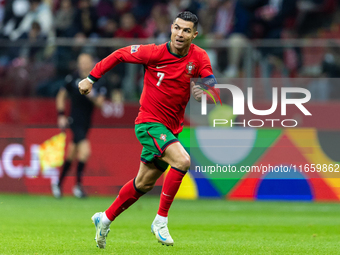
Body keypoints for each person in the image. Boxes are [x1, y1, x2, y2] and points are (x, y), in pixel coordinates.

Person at [78, 11, 219, 248]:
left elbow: (212, 83)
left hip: (171, 129)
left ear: (194, 35)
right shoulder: (154, 53)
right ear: (171, 28)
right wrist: (91, 78)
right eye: (177, 28)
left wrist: (205, 90)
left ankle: (105, 218)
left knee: (143, 183)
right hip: (149, 123)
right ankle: (160, 221)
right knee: (182, 161)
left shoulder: (199, 57)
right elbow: (120, 54)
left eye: (186, 30)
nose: (180, 34)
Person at [52, 53, 106, 198]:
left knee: (72, 154)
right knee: (85, 151)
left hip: (86, 122)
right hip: (74, 120)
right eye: (80, 62)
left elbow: (101, 104)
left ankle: (58, 184)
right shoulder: (72, 79)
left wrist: (91, 95)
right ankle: (78, 186)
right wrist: (61, 115)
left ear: (91, 63)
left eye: (85, 62)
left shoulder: (97, 80)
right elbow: (61, 96)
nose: (82, 64)